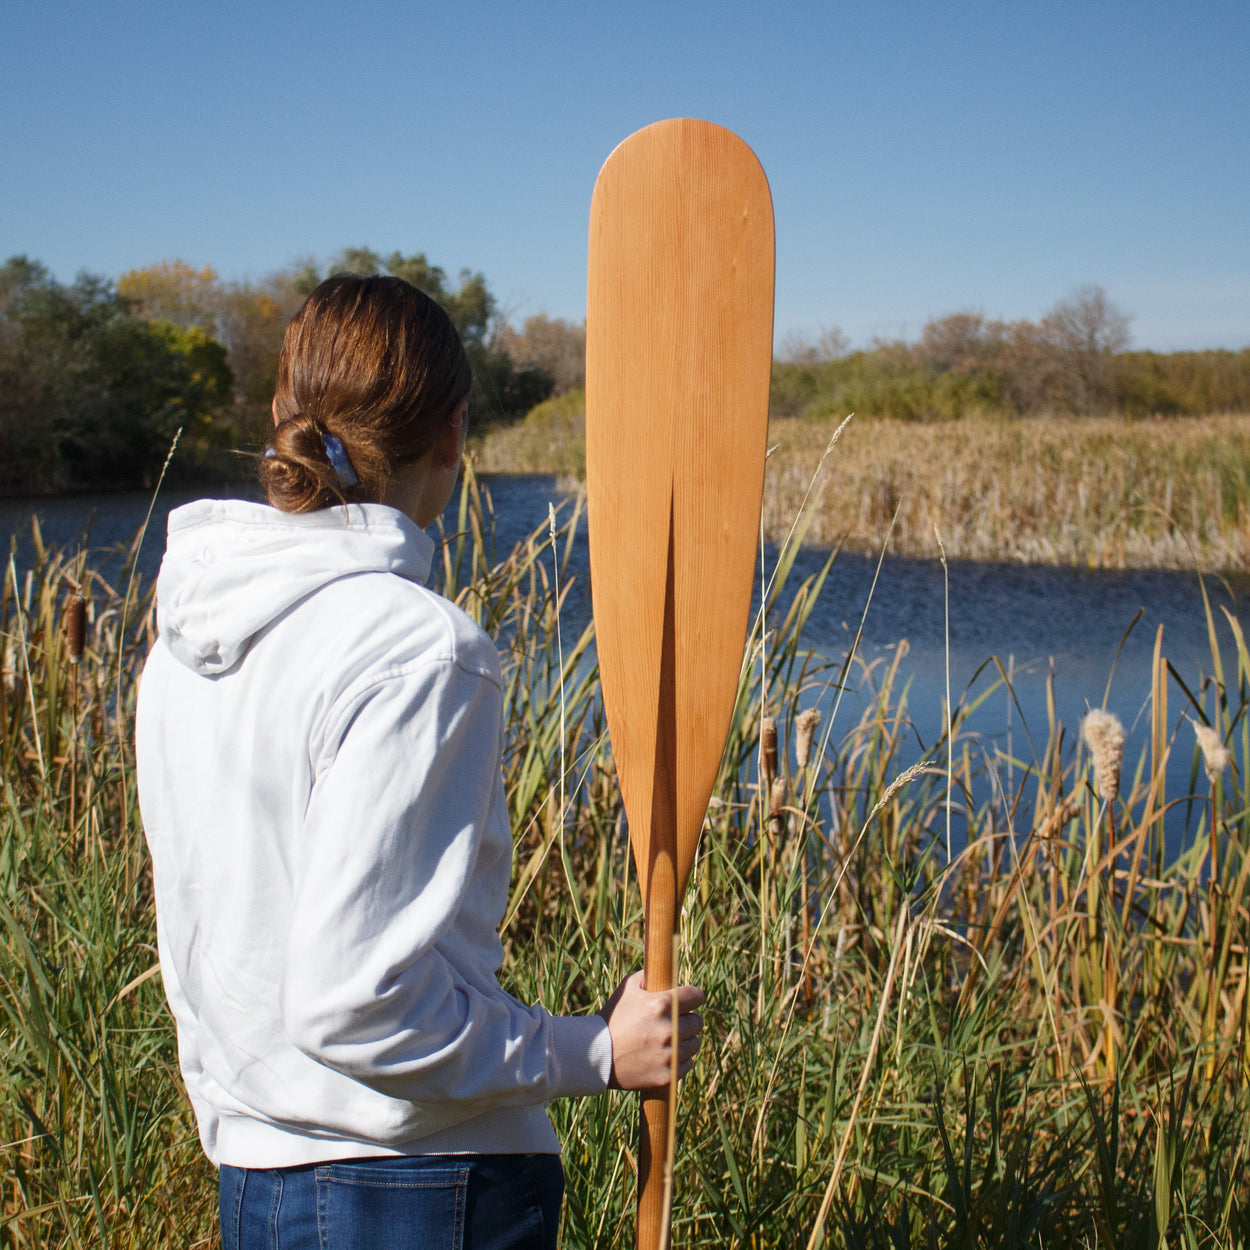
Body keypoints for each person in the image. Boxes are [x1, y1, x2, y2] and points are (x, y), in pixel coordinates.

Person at [135, 274, 705, 1250]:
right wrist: (595, 1047)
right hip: (419, 1187)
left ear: (281, 415)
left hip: (258, 1171)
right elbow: (354, 999)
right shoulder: (420, 648)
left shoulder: (187, 637)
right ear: (452, 434)